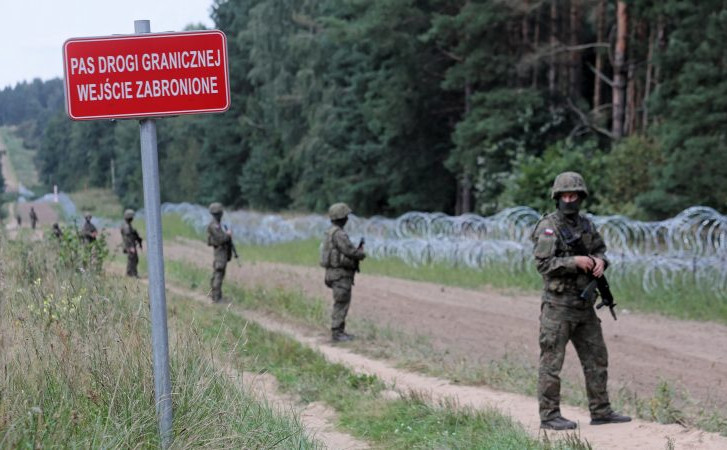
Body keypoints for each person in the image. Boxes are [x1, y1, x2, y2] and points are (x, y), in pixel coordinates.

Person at [531, 172, 631, 430]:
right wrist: (573, 261)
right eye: (564, 195)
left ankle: (601, 411)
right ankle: (549, 415)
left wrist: (600, 262)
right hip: (558, 306)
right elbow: (543, 265)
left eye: (573, 195)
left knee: (597, 359)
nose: (569, 200)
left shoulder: (587, 225)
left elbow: (600, 250)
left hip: (584, 306)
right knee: (552, 362)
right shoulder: (548, 227)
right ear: (557, 197)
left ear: (581, 197)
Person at [320, 203, 366, 342]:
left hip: (332, 273)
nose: (347, 219)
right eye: (346, 216)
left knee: (340, 301)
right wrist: (361, 254)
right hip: (340, 274)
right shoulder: (339, 234)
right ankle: (337, 333)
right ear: (342, 218)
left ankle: (338, 331)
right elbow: (350, 251)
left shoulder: (330, 232)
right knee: (341, 302)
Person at [207, 202, 233, 303]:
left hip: (222, 252)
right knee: (219, 273)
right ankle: (217, 298)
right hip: (220, 253)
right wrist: (228, 235)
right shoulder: (214, 225)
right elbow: (220, 239)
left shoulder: (217, 224)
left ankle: (215, 295)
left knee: (218, 273)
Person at [120, 209, 143, 277]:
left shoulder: (128, 225)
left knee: (134, 259)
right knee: (132, 259)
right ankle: (131, 274)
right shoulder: (126, 226)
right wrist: (131, 247)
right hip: (129, 246)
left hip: (130, 245)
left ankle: (132, 273)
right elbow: (128, 238)